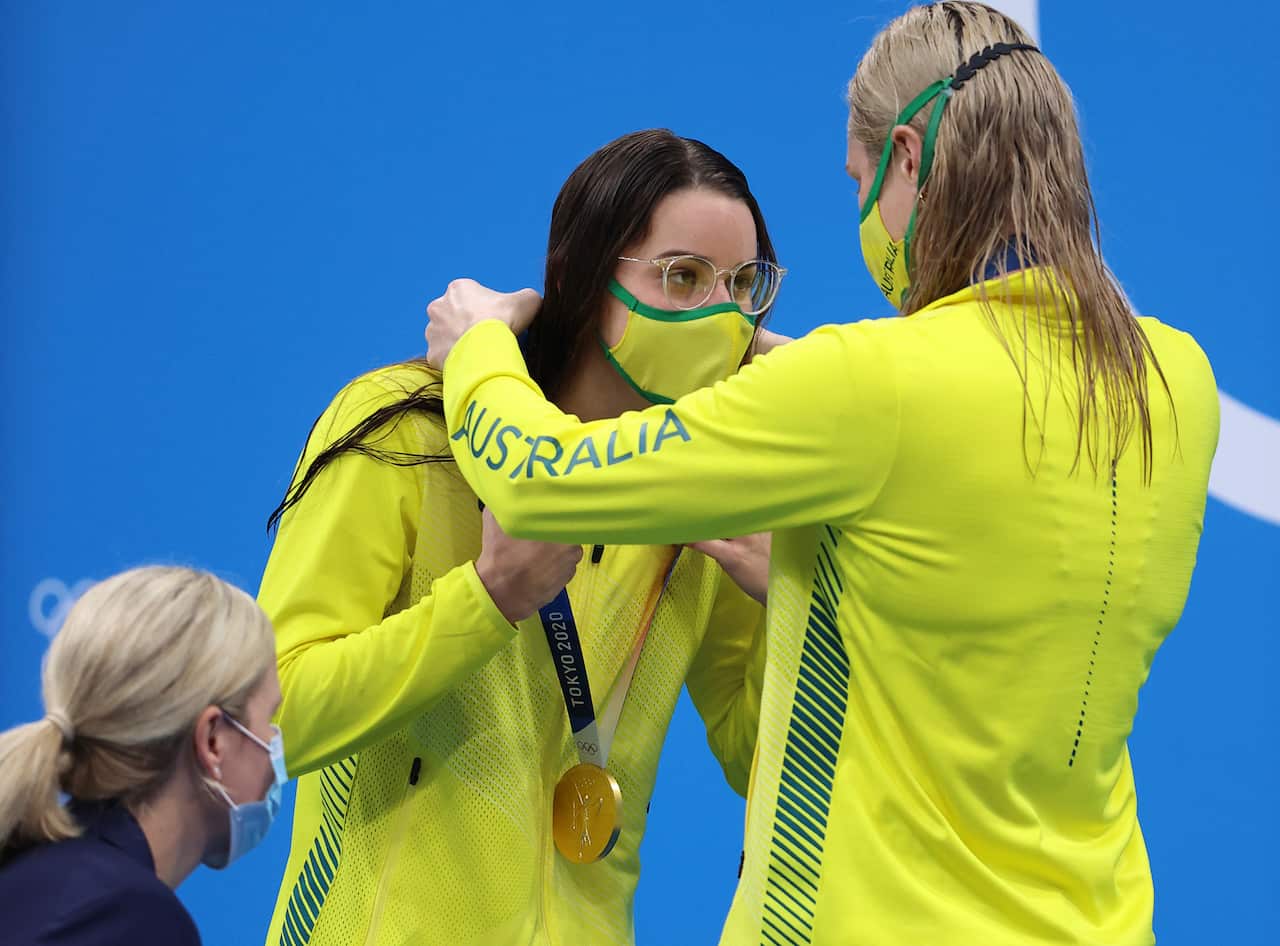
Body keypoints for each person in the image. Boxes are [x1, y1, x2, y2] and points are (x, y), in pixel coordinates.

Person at [422, 4, 1220, 945]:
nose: (863, 218)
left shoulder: (870, 383)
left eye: (860, 182)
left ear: (911, 158)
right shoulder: (1175, 379)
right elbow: (981, 559)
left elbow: (543, 483)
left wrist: (479, 349)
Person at [259, 129, 786, 946]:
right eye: (682, 278)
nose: (718, 315)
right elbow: (281, 710)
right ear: (582, 275)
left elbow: (767, 762)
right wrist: (487, 600)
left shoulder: (704, 500)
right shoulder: (404, 429)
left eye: (742, 285)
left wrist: (793, 592)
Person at [0, 566, 285, 946]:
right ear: (213, 740)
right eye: (270, 718)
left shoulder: (36, 870)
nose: (274, 741)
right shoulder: (132, 919)